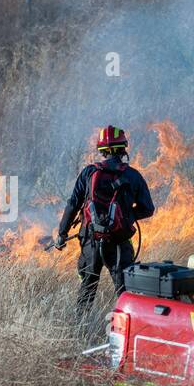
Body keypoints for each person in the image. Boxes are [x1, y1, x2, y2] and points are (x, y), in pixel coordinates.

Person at [55, 126, 155, 314]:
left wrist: (62, 234)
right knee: (125, 292)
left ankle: (81, 328)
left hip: (90, 241)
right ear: (123, 148)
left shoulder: (88, 173)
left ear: (102, 151)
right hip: (119, 242)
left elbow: (73, 204)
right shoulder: (132, 175)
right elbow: (148, 208)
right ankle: (130, 329)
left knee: (87, 286)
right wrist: (128, 217)